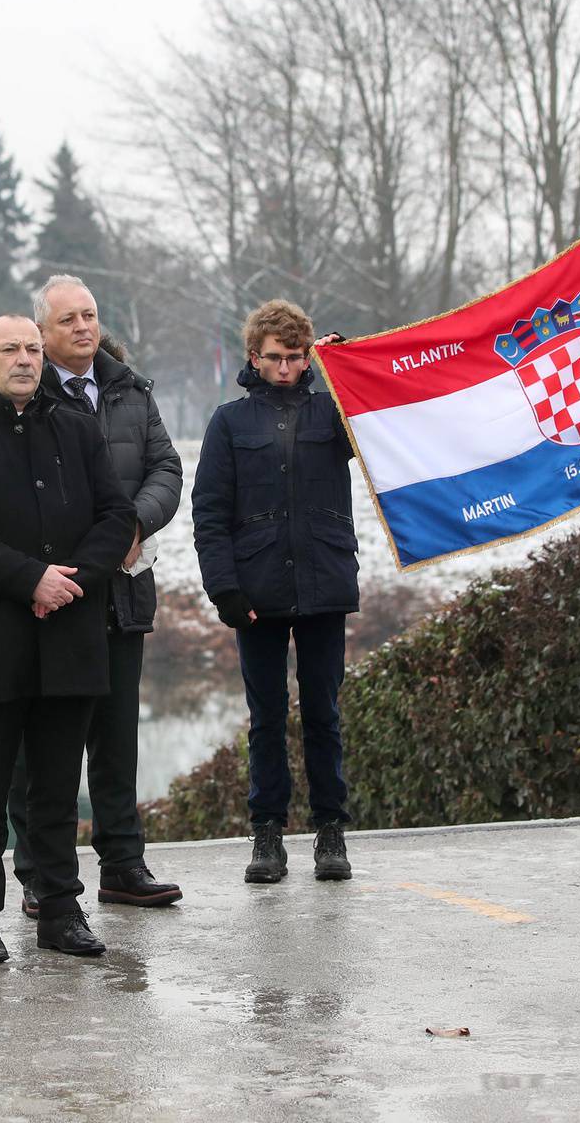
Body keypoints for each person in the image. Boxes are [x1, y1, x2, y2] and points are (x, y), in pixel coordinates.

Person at [0, 314, 136, 964]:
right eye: (10, 349)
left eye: (33, 350)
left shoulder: (77, 427)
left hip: (70, 635)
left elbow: (116, 514)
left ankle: (61, 911)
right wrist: (32, 579)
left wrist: (72, 581)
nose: (24, 359)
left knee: (55, 787)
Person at [8, 275, 183, 915]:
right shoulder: (26, 394)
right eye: (67, 320)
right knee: (41, 749)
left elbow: (166, 467)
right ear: (42, 333)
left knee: (116, 739)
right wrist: (98, 548)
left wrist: (136, 523)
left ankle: (123, 863)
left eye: (90, 315)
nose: (83, 327)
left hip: (123, 593)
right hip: (55, 594)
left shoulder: (130, 390)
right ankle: (41, 876)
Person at [192, 299, 358, 885]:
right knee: (265, 716)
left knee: (323, 712)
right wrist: (224, 589)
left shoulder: (329, 412)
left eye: (295, 358)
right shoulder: (230, 422)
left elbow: (374, 438)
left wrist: (346, 373)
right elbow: (209, 513)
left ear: (307, 355)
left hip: (324, 581)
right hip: (256, 588)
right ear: (253, 357)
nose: (285, 368)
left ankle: (330, 830)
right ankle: (267, 833)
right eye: (275, 358)